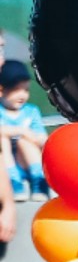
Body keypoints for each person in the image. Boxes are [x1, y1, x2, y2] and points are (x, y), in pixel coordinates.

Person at [1, 60, 49, 200]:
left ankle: (39, 180)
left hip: (27, 162)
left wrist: (33, 137)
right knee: (2, 138)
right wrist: (22, 131)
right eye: (16, 90)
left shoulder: (31, 111)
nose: (22, 95)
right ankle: (13, 181)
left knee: (24, 141)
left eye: (26, 90)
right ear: (2, 90)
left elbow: (40, 137)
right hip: (7, 165)